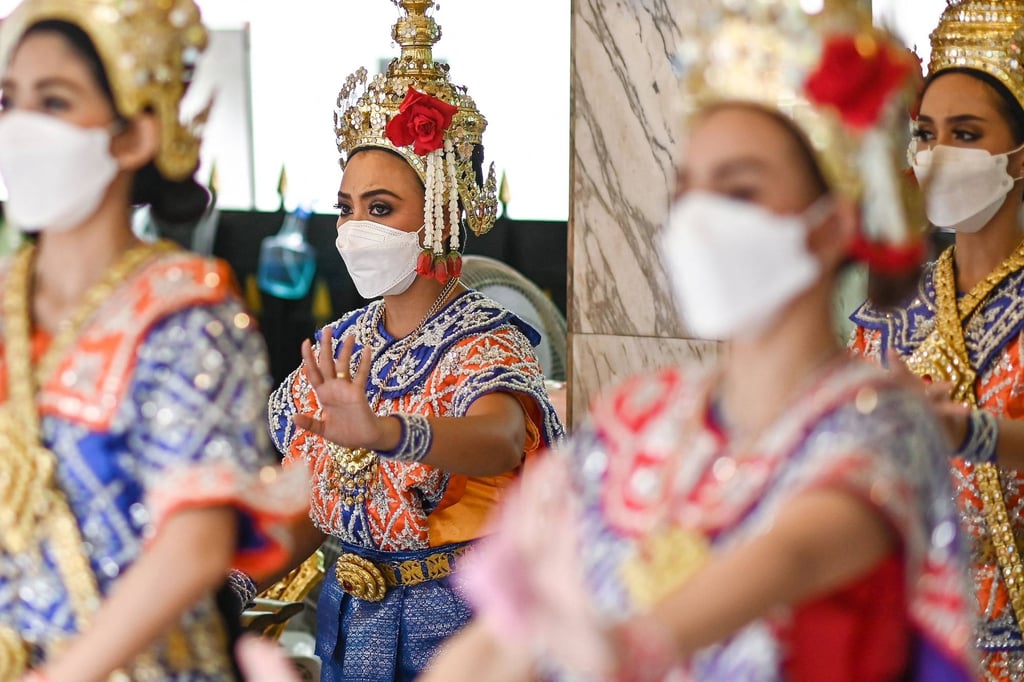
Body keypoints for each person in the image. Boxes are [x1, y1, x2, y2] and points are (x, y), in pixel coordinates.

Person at [423, 1, 976, 680]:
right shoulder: (637, 418)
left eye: (738, 190)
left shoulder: (880, 421)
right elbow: (507, 635)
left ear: (831, 225)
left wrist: (635, 647)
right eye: (687, 191)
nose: (700, 220)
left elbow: (797, 550)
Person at [0, 1, 307, 680]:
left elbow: (195, 543)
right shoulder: (5, 301)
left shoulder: (185, 316)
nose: (21, 129)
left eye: (54, 102)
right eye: (8, 101)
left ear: (134, 135)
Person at [265, 1, 564, 680]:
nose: (353, 230)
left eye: (379, 209)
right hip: (349, 620)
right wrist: (228, 585)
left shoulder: (485, 339)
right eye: (347, 209)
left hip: (459, 625)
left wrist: (391, 433)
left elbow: (501, 439)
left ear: (437, 214)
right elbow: (311, 503)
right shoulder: (341, 342)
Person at [849, 1, 1024, 677]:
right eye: (927, 132)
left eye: (967, 132)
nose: (939, 153)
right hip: (916, 635)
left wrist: (969, 433)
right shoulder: (890, 307)